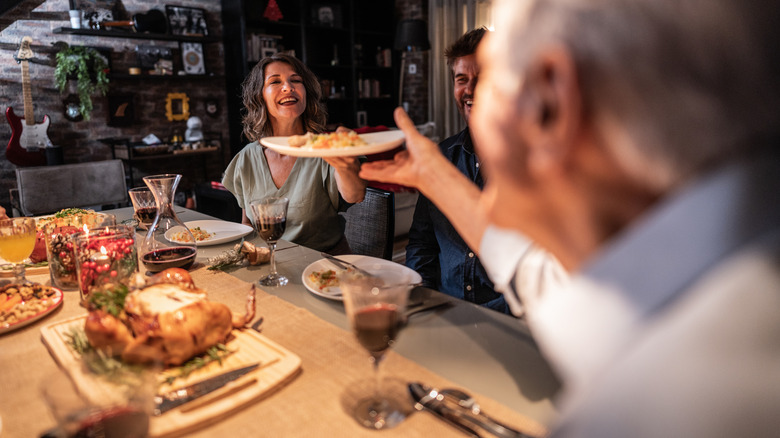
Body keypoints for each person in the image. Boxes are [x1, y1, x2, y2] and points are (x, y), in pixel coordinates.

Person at [360, 0, 780, 435]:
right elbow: (537, 275)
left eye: (494, 80)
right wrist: (436, 177)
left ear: (551, 99)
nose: (472, 96)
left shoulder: (639, 413)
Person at [405, 28, 510, 314]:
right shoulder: (441, 157)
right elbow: (422, 243)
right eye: (461, 79)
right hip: (444, 309)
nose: (470, 90)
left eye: (482, 79)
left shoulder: (527, 164)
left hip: (509, 319)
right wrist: (422, 298)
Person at [223, 53, 365, 254]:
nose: (288, 87)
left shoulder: (328, 146)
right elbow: (247, 224)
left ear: (306, 91)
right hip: (271, 268)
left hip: (325, 268)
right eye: (275, 81)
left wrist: (344, 163)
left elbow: (355, 195)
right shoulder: (247, 157)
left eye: (296, 80)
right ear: (259, 96)